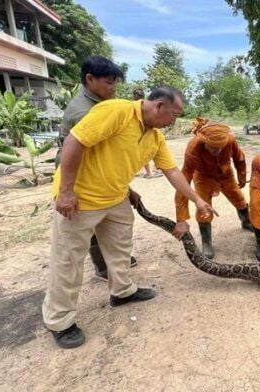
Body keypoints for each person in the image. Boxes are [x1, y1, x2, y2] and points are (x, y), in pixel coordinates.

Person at [43, 86, 215, 349]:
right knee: (68, 261)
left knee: (121, 249)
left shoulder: (155, 136)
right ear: (158, 106)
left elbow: (171, 171)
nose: (174, 121)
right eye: (174, 114)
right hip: (81, 199)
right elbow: (73, 142)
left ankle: (122, 292)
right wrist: (65, 192)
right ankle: (60, 321)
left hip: (116, 198)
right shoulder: (115, 111)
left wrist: (197, 199)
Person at [54, 55, 133, 281]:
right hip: (80, 174)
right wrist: (66, 191)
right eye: (108, 82)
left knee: (105, 221)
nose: (113, 88)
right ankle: (101, 267)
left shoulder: (99, 103)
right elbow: (76, 148)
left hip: (93, 170)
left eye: (114, 82)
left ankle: (110, 266)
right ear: (90, 79)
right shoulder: (83, 111)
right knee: (84, 225)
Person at [173, 117, 252, 258]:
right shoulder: (193, 147)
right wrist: (181, 218)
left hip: (226, 175)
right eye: (212, 147)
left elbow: (239, 158)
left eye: (219, 147)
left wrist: (242, 176)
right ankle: (206, 242)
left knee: (239, 198)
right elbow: (183, 181)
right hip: (203, 178)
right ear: (204, 141)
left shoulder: (230, 140)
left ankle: (246, 222)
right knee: (203, 209)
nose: (216, 150)